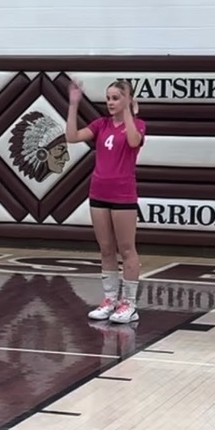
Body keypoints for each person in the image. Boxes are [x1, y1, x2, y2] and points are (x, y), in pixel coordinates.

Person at [65, 79, 145, 324]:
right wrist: (73, 104)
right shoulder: (101, 124)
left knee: (127, 249)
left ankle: (129, 304)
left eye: (116, 98)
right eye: (108, 98)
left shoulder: (139, 125)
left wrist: (129, 112)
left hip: (123, 195)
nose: (110, 102)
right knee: (106, 249)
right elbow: (71, 136)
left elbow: (133, 141)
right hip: (98, 193)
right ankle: (110, 299)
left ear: (127, 100)